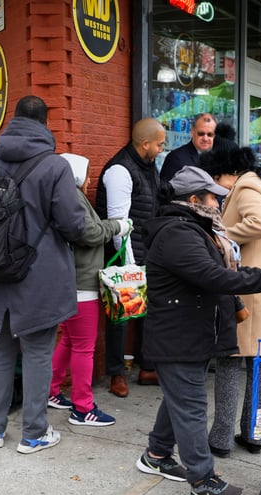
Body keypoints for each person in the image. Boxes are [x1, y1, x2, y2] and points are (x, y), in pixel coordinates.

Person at [136, 165, 261, 495]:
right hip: (177, 336)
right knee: (190, 406)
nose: (219, 204)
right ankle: (203, 481)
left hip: (190, 332)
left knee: (179, 398)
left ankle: (157, 454)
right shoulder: (178, 233)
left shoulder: (195, 228)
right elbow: (214, 277)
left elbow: (224, 271)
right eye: (213, 198)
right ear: (194, 200)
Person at [0, 95, 85, 454]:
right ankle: (33, 433)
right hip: (39, 276)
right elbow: (73, 224)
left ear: (12, 121)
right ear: (45, 124)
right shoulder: (55, 167)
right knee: (36, 352)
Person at [198, 144, 261, 456]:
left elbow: (259, 223)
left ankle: (222, 439)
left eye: (216, 177)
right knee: (259, 365)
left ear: (227, 170)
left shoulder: (247, 183)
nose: (215, 186)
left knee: (229, 362)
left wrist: (220, 235)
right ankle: (252, 434)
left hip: (250, 287)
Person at [47, 153, 131, 427]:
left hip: (68, 281)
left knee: (70, 341)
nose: (91, 179)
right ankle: (83, 408)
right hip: (81, 283)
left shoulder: (61, 196)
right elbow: (89, 233)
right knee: (84, 347)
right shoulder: (72, 198)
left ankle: (51, 390)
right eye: (87, 173)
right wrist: (118, 225)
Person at [95, 118, 167, 397]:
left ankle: (147, 366)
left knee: (149, 311)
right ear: (145, 143)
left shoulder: (148, 166)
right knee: (121, 315)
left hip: (147, 249)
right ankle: (116, 373)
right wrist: (129, 265)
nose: (162, 149)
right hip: (122, 253)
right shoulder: (119, 171)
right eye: (159, 144)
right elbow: (117, 222)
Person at [159, 112, 216, 181]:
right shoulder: (175, 158)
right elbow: (166, 189)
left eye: (210, 134)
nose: (205, 138)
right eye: (201, 134)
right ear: (192, 132)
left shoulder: (221, 158)